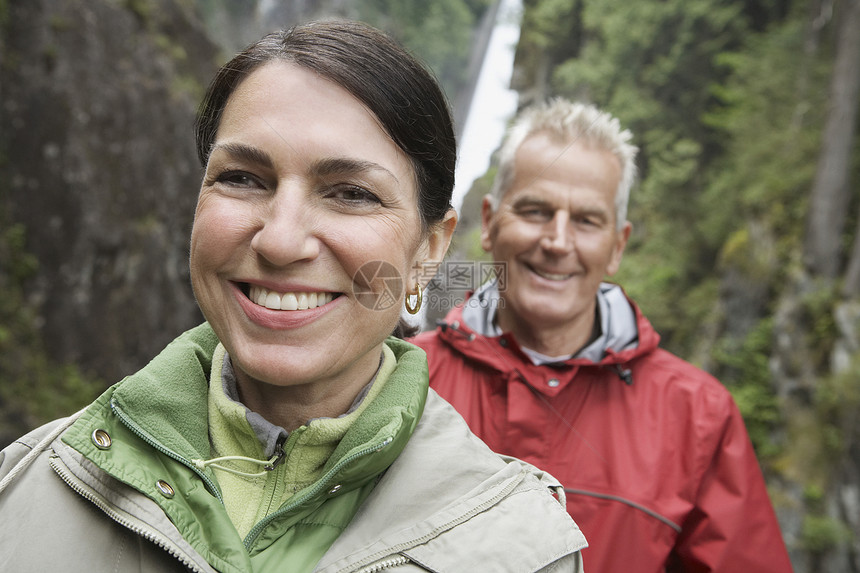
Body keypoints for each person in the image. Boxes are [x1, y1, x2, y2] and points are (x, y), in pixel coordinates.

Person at [0, 23, 587, 572]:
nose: (280, 240)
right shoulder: (26, 486)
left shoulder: (525, 550)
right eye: (243, 178)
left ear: (430, 250)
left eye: (351, 193)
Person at [412, 98, 794, 572]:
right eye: (534, 210)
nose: (556, 242)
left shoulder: (699, 419)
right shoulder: (402, 380)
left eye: (587, 221)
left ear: (617, 246)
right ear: (489, 223)